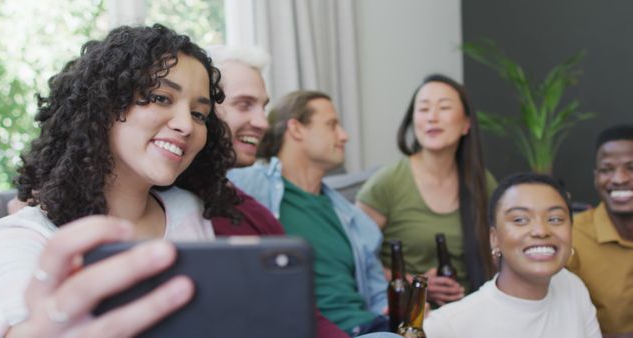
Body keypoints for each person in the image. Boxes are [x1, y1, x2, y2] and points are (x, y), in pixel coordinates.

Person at [0, 24, 237, 338]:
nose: (185, 125)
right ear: (103, 105)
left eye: (199, 114)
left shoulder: (189, 209)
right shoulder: (19, 238)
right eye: (161, 97)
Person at [206, 45, 350, 338]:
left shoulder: (251, 211)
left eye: (263, 107)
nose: (262, 122)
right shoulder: (168, 202)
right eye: (244, 104)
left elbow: (306, 314)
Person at [227, 91, 389, 336]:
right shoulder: (247, 186)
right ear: (297, 128)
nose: (344, 136)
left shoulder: (353, 218)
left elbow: (380, 295)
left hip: (370, 328)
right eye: (332, 125)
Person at [356, 74, 496, 304]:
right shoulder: (386, 184)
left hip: (472, 310)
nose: (432, 117)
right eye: (423, 109)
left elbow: (499, 250)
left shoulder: (481, 182)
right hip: (412, 316)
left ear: (466, 124)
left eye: (444, 107)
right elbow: (356, 259)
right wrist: (413, 283)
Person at [423, 172, 601, 338]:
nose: (540, 231)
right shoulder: (449, 326)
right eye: (520, 220)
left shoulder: (572, 287)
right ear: (494, 238)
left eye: (555, 219)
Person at [567, 124, 633, 337]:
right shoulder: (572, 237)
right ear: (596, 177)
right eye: (607, 169)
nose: (619, 179)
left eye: (631, 167)